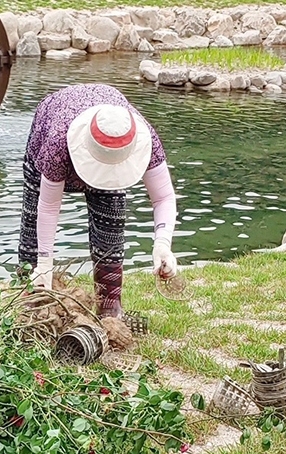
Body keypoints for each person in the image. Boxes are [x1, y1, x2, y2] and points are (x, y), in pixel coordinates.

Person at [18, 83, 178, 318]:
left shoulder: (144, 136)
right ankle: (31, 297)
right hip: (53, 126)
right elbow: (49, 207)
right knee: (33, 221)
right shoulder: (56, 142)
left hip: (105, 132)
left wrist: (163, 245)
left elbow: (163, 197)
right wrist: (44, 264)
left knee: (110, 225)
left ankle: (109, 308)